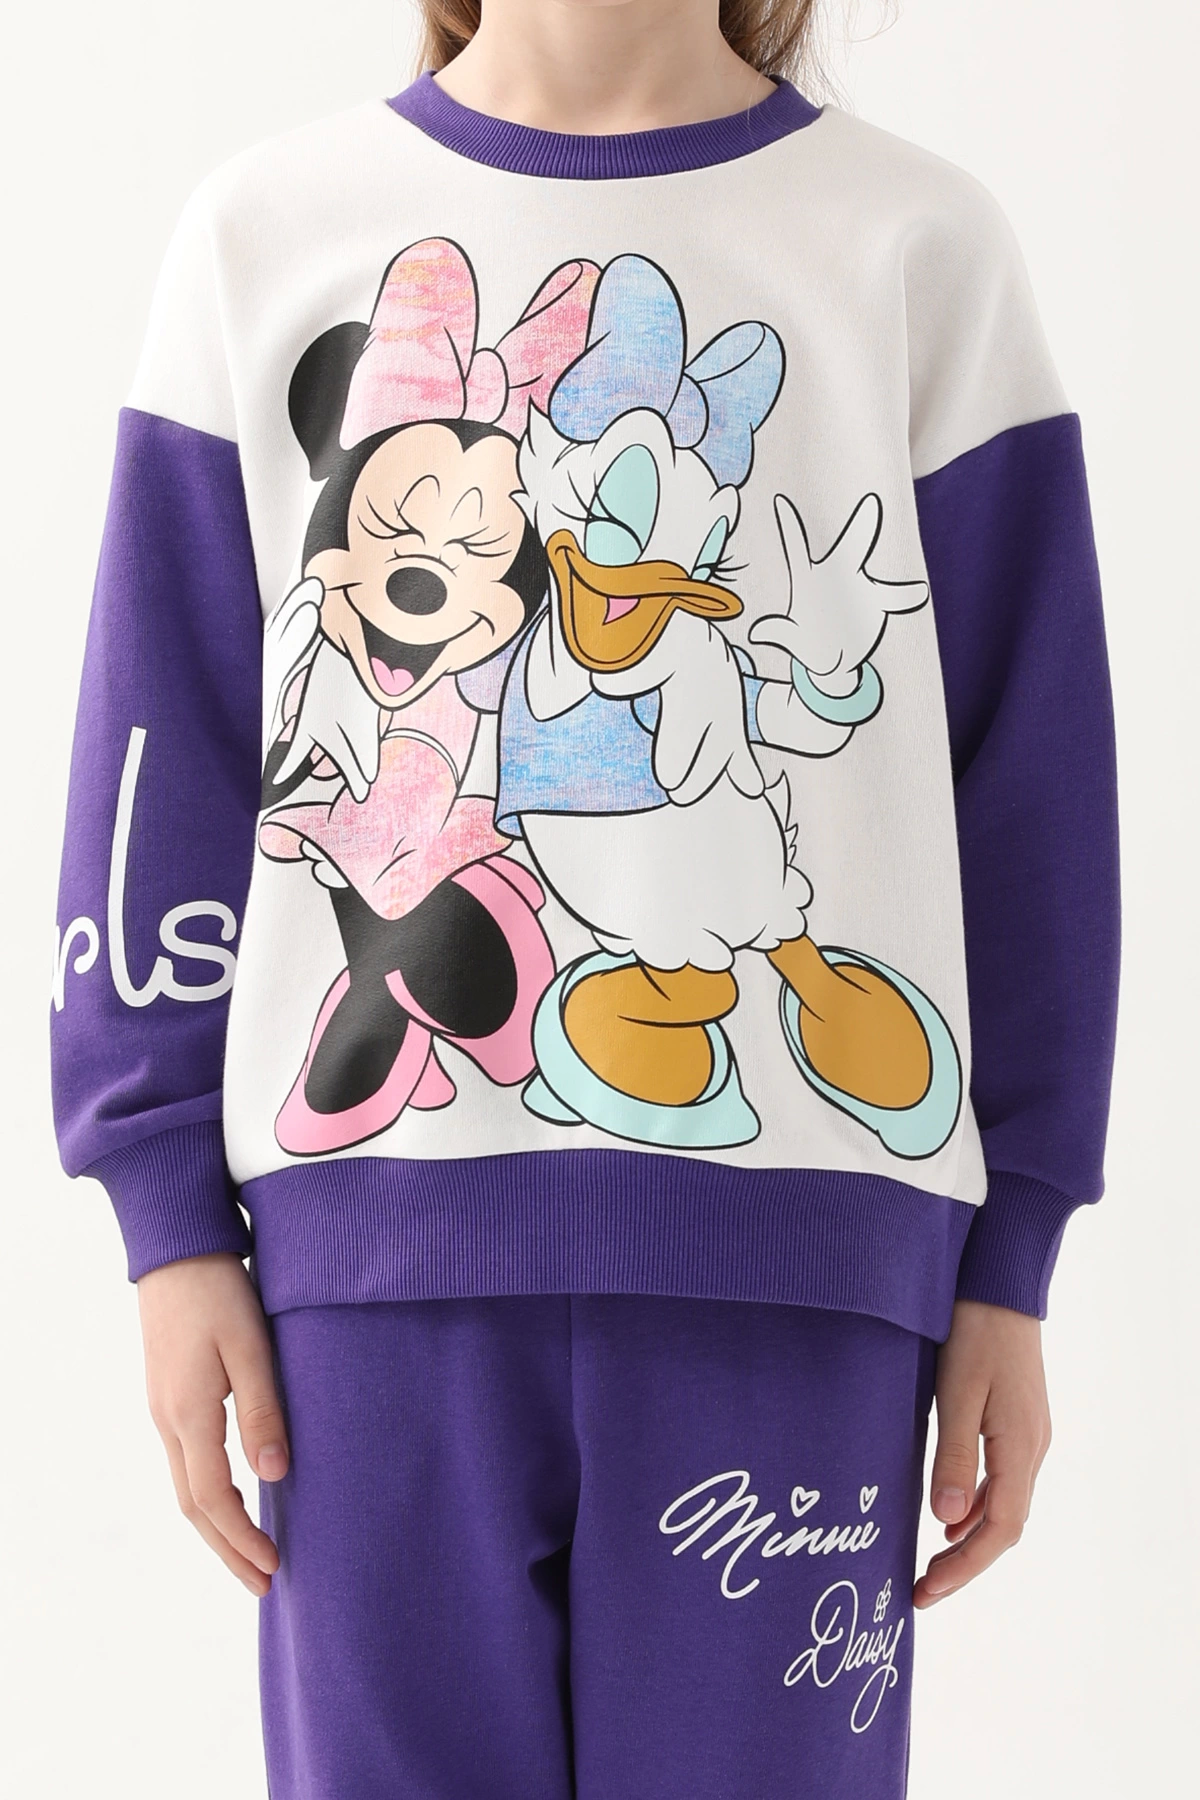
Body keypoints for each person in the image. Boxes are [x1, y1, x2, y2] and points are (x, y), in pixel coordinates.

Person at [50, 0, 1119, 1793]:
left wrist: (1013, 1254)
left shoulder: (918, 248)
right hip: (368, 1295)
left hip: (804, 1291)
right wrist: (165, 1223)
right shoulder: (264, 233)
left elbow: (1034, 793)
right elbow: (164, 748)